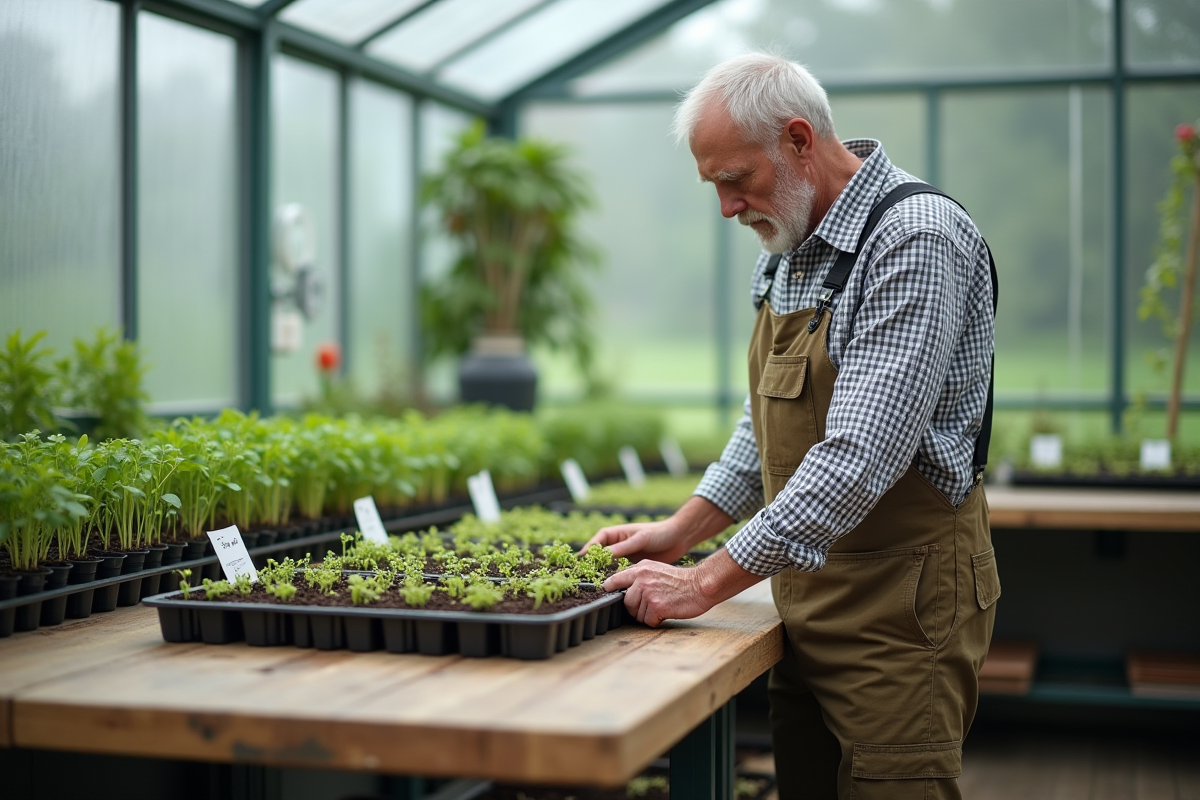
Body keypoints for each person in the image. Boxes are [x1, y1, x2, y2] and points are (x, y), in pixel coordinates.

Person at [586, 53, 999, 800]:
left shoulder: (913, 239)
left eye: (735, 180)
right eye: (714, 185)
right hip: (803, 593)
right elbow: (767, 421)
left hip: (900, 608)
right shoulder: (789, 246)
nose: (726, 208)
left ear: (800, 140)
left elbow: (858, 459)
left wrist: (705, 581)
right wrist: (684, 528)